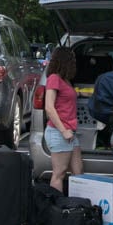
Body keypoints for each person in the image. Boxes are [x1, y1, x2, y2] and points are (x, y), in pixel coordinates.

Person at [43, 46, 82, 191]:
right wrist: (64, 130)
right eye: (72, 60)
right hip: (59, 132)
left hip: (70, 132)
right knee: (59, 173)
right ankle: (56, 208)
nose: (75, 63)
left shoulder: (65, 80)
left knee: (78, 172)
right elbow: (49, 107)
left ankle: (78, 206)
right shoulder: (54, 79)